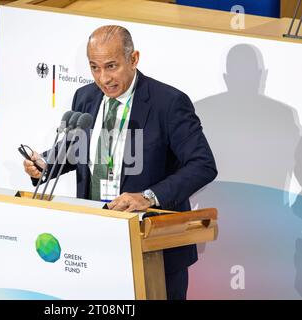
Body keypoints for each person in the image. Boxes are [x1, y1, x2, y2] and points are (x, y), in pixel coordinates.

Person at [24, 25, 217, 300]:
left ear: (134, 59)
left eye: (111, 66)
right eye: (94, 68)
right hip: (95, 244)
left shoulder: (169, 102)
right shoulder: (85, 97)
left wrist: (149, 197)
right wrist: (45, 163)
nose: (103, 78)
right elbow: (76, 149)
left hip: (153, 247)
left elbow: (203, 164)